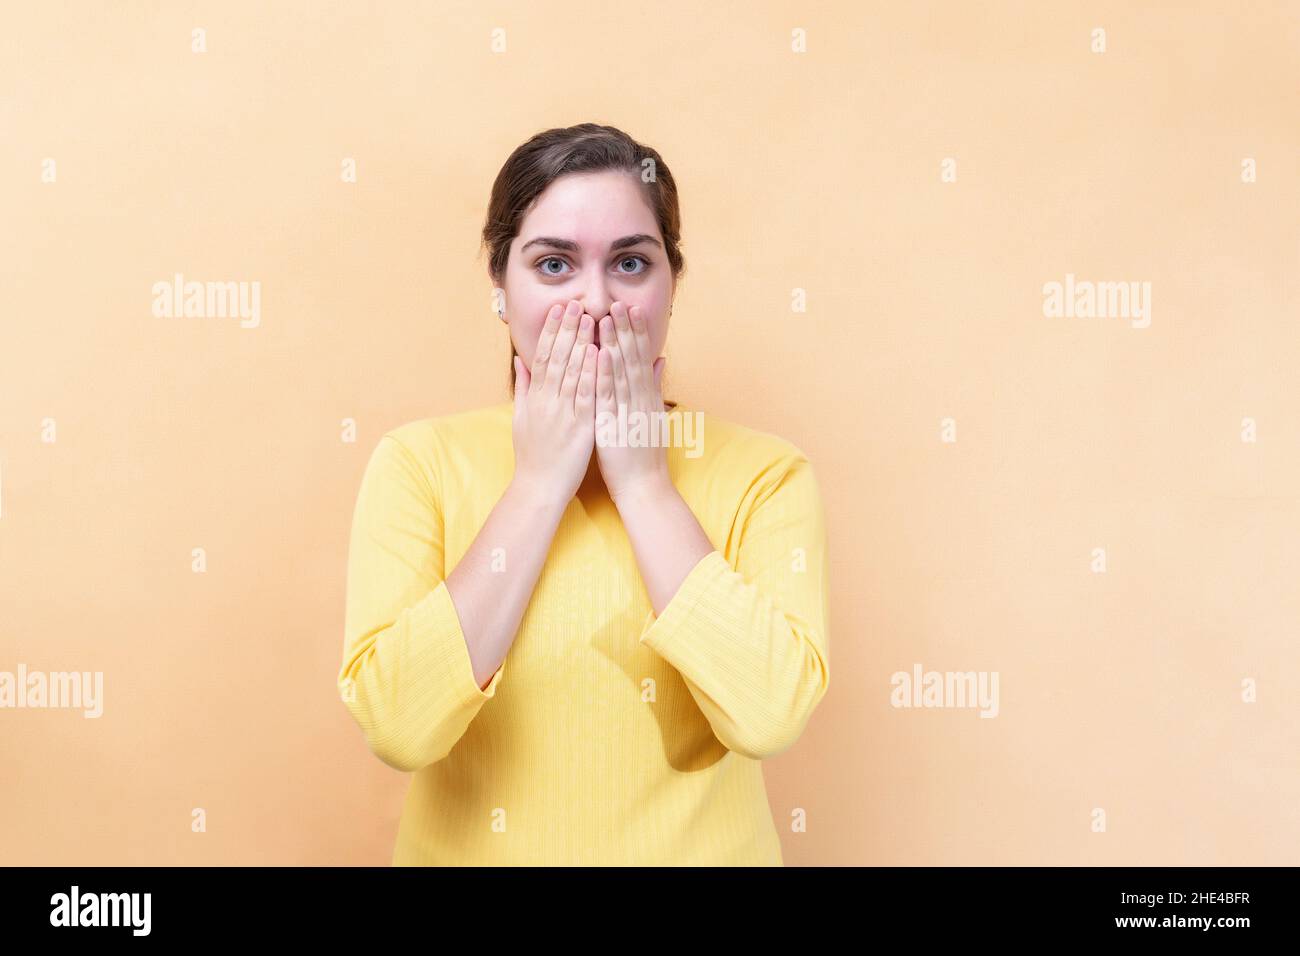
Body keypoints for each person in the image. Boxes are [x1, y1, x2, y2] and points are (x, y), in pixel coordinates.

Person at [337, 123, 830, 865]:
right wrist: (537, 486)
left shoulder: (766, 474)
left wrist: (643, 484)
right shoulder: (419, 464)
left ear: (672, 283)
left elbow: (766, 716)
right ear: (500, 287)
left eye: (631, 262)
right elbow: (400, 728)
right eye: (554, 264)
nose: (595, 301)